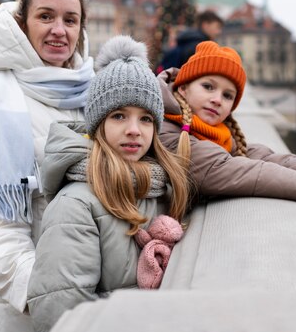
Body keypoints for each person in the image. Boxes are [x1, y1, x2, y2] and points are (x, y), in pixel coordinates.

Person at [0, 0, 95, 332]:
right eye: (45, 16)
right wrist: (44, 295)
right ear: (22, 23)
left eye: (70, 19)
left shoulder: (92, 94)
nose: (59, 30)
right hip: (25, 307)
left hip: (91, 293)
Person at [27, 35, 189, 332]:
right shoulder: (75, 205)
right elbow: (61, 312)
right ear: (97, 124)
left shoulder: (162, 185)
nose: (133, 131)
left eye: (145, 119)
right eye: (118, 116)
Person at [158, 41, 296, 239]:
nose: (217, 99)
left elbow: (261, 157)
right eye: (208, 86)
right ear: (183, 88)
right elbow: (222, 168)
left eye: (227, 95)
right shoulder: (166, 129)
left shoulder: (216, 133)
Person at [156, 10, 224, 73]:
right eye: (217, 27)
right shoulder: (198, 47)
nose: (219, 32)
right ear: (205, 25)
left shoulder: (188, 41)